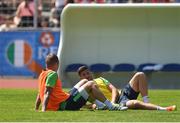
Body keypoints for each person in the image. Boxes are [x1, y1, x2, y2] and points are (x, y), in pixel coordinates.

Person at [35, 54, 126, 112]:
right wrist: (44, 110)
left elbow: (40, 93)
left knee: (85, 81)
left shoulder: (42, 74)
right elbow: (47, 93)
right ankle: (111, 106)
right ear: (57, 63)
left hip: (65, 99)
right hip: (66, 104)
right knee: (90, 84)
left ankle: (101, 105)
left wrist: (36, 108)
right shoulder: (53, 74)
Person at [77, 66, 176, 111]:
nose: (87, 75)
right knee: (135, 103)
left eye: (88, 73)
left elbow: (114, 89)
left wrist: (112, 102)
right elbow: (88, 105)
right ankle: (163, 109)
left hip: (121, 96)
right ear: (81, 78)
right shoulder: (85, 89)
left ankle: (146, 101)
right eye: (84, 74)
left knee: (140, 74)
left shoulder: (100, 79)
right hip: (119, 104)